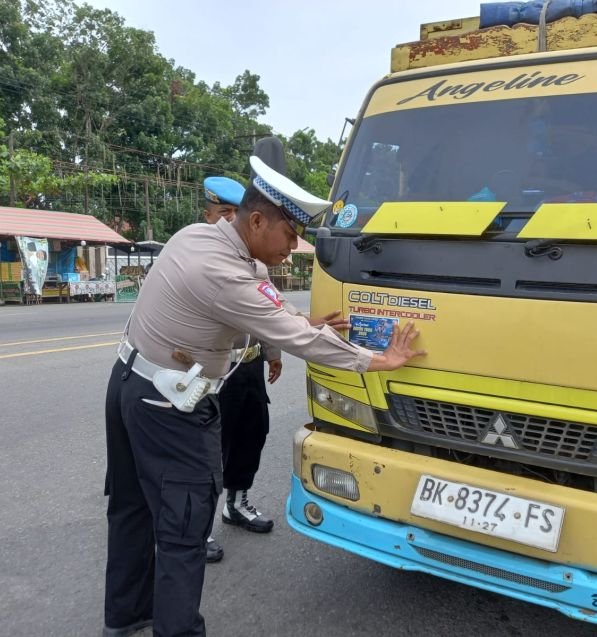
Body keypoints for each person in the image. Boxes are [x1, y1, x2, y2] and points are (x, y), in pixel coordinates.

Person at [102, 155, 425, 637]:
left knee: (131, 509)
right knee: (184, 529)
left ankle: (125, 617)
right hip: (168, 408)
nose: (294, 248)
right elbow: (299, 339)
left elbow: (246, 317)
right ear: (256, 221)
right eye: (290, 235)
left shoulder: (195, 236)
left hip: (128, 384)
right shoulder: (228, 275)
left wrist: (296, 324)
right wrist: (379, 360)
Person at [199, 175, 279, 566]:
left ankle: (237, 503)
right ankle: (198, 525)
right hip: (217, 371)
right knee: (211, 447)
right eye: (223, 213)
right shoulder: (202, 257)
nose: (230, 221)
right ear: (208, 215)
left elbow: (272, 310)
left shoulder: (256, 261)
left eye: (235, 214)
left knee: (252, 434)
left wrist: (273, 353)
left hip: (249, 368)